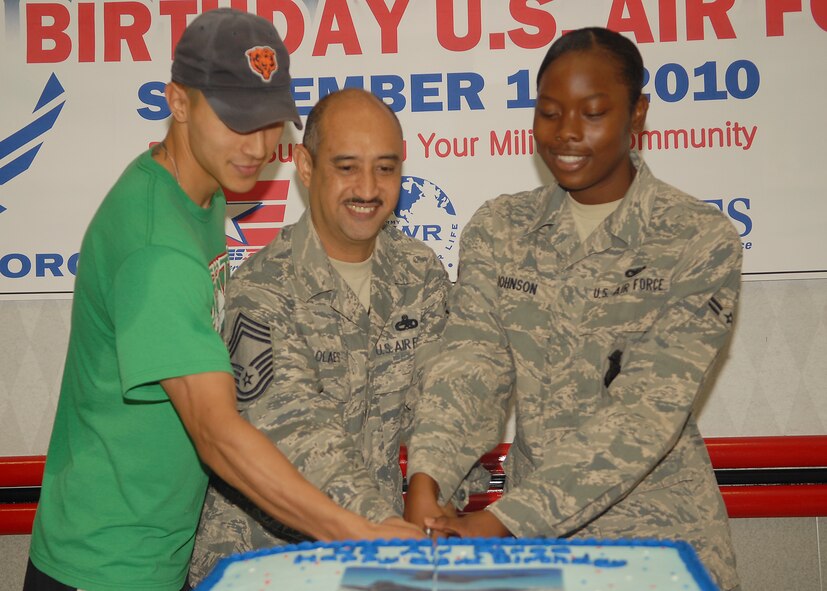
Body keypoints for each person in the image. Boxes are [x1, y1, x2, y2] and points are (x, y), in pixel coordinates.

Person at [25, 11, 420, 591]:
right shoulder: (158, 249)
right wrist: (358, 531)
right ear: (177, 103)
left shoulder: (196, 192)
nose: (257, 146)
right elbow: (216, 433)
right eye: (236, 120)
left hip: (150, 552)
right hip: (106, 565)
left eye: (269, 122)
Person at [405, 27, 741, 591]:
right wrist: (427, 478)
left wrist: (506, 523)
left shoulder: (698, 239)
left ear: (638, 114)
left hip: (657, 545)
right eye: (549, 112)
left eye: (593, 113)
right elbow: (471, 365)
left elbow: (646, 412)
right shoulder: (501, 229)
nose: (566, 132)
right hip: (539, 557)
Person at [188, 88, 449, 584]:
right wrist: (384, 530)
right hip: (266, 562)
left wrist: (436, 502)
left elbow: (443, 403)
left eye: (385, 168)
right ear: (306, 168)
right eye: (347, 167)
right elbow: (293, 430)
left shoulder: (421, 275)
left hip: (379, 560)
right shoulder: (263, 288)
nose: (368, 188)